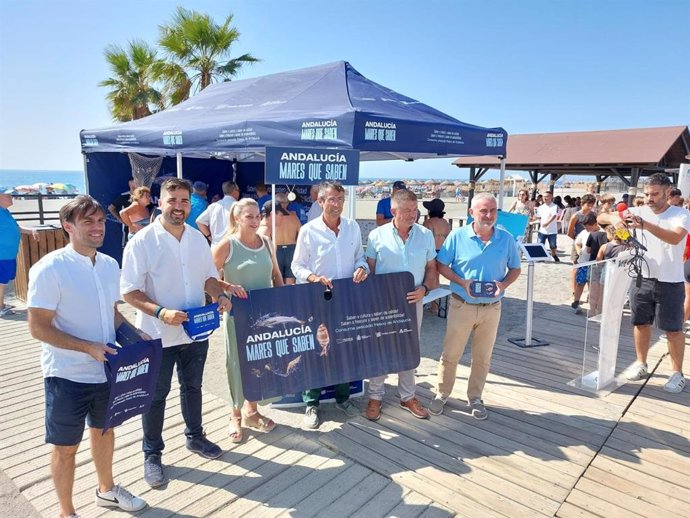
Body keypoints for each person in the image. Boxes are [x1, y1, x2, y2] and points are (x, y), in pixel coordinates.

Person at [27, 195, 146, 517]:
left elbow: (111, 313)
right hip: (66, 374)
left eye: (99, 221)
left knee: (105, 431)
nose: (97, 228)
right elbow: (38, 328)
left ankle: (106, 491)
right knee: (66, 448)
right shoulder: (49, 268)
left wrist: (137, 335)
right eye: (87, 222)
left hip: (106, 370)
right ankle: (67, 512)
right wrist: (87, 347)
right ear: (68, 226)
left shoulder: (108, 265)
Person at [120, 178, 232, 488]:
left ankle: (195, 437)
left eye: (184, 200)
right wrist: (160, 312)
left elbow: (209, 278)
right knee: (155, 397)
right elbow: (129, 291)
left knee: (192, 387)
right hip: (156, 334)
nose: (179, 206)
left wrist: (217, 295)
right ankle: (152, 454)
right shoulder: (141, 242)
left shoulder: (197, 239)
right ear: (159, 201)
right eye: (173, 200)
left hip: (195, 332)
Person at [429, 193, 521, 419]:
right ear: (472, 213)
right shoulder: (458, 236)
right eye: (483, 211)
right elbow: (441, 265)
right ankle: (442, 394)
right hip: (462, 305)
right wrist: (462, 282)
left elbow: (515, 268)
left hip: (492, 308)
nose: (489, 215)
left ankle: (475, 397)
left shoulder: (506, 239)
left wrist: (504, 284)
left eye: (493, 211)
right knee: (451, 354)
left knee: (482, 357)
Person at [598, 173, 690, 393]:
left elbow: (675, 237)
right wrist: (614, 219)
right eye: (647, 194)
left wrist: (646, 225)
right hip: (641, 277)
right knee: (640, 323)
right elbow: (601, 217)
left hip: (671, 280)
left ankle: (677, 373)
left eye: (655, 194)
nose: (649, 198)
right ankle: (641, 363)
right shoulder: (637, 212)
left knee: (673, 328)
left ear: (668, 192)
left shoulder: (681, 213)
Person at [291, 181, 370, 429]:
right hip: (316, 299)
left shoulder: (352, 227)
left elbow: (360, 256)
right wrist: (313, 278)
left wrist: (362, 268)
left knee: (344, 350)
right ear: (320, 202)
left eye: (340, 199)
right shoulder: (308, 230)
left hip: (346, 298)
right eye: (331, 199)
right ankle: (311, 403)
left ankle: (343, 398)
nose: (336, 204)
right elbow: (297, 266)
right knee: (316, 351)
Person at [212, 198, 283, 443]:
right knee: (236, 364)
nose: (255, 221)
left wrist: (283, 300)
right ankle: (234, 415)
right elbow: (207, 277)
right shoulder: (227, 245)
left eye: (257, 216)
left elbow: (276, 275)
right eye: (249, 216)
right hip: (236, 316)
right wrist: (227, 287)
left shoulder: (266, 243)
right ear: (237, 218)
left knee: (258, 362)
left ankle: (252, 412)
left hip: (263, 317)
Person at [365, 189, 435, 421]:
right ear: (393, 211)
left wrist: (424, 289)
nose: (412, 215)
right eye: (406, 210)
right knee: (380, 348)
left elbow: (432, 269)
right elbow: (370, 271)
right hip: (383, 303)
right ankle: (375, 397)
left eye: (415, 210)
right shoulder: (376, 235)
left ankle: (408, 396)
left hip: (413, 301)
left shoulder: (426, 235)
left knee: (409, 348)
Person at [0, 193, 38, 316]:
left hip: (9, 254)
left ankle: (2, 304)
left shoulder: (5, 212)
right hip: (2, 255)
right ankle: (0, 308)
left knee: (4, 280)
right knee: (1, 281)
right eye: (8, 196)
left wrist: (31, 230)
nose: (11, 197)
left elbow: (16, 228)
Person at [258, 200, 301, 285]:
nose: (282, 217)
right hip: (291, 249)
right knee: (288, 282)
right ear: (272, 214)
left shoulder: (266, 231)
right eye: (281, 214)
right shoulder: (264, 233)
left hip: (279, 250)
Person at [196, 181, 240, 245]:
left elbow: (199, 221)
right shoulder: (239, 207)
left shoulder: (213, 206)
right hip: (233, 246)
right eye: (238, 190)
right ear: (234, 190)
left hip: (216, 246)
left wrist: (209, 237)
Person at [536, 191, 560, 261]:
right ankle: (541, 257)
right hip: (542, 230)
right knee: (540, 244)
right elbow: (538, 216)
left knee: (553, 245)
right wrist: (531, 220)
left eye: (547, 196)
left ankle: (554, 254)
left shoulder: (554, 206)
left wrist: (547, 223)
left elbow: (554, 216)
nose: (545, 198)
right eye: (543, 197)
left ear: (551, 197)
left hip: (552, 230)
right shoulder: (540, 207)